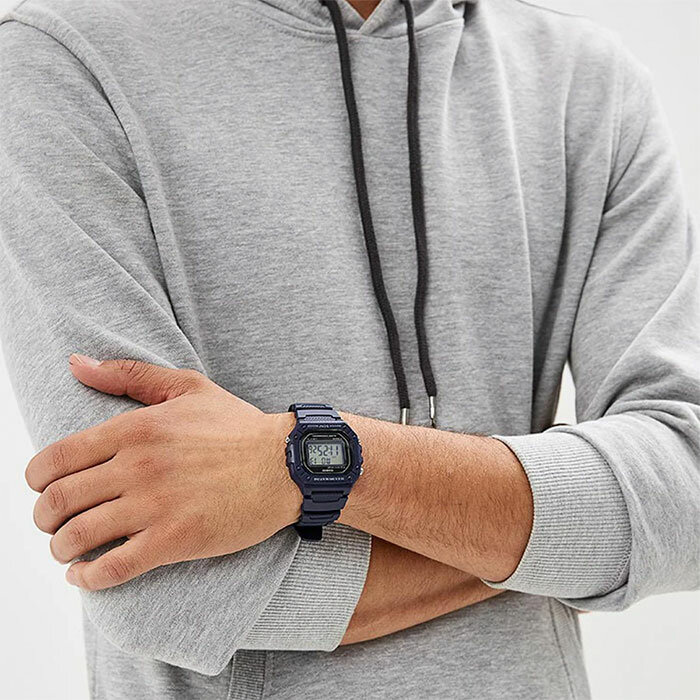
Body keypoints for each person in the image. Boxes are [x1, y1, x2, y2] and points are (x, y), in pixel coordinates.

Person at [0, 0, 698, 698]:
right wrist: (564, 531)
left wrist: (298, 461)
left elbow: (686, 495)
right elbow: (157, 584)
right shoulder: (61, 58)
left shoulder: (586, 80)